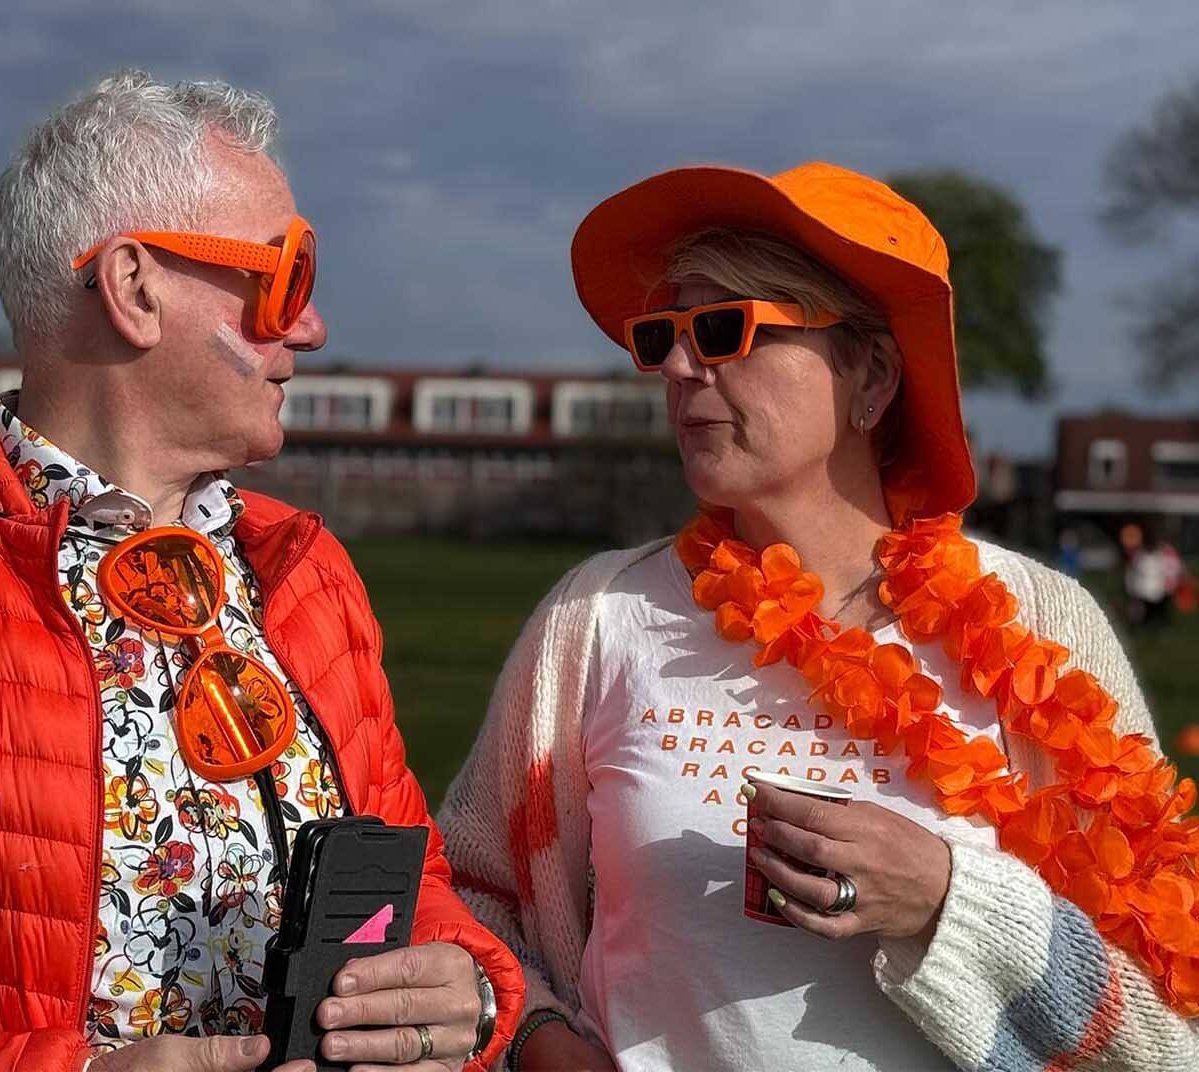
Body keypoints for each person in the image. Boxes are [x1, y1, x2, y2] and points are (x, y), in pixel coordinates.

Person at [0, 71, 519, 1072]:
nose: (311, 328)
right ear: (135, 289)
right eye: (286, 278)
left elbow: (413, 880)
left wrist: (471, 990)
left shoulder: (311, 574)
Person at [438, 162, 1198, 1070]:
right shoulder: (594, 618)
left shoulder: (1040, 622)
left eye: (725, 331)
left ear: (869, 374)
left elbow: (1167, 1036)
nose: (681, 368)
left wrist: (945, 900)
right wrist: (540, 1043)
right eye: (663, 337)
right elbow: (471, 900)